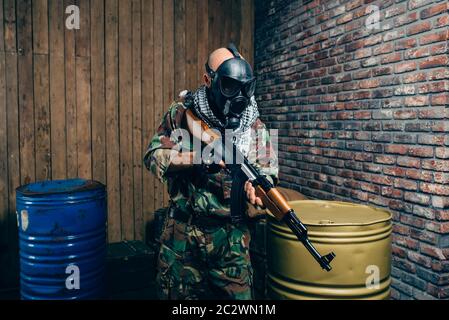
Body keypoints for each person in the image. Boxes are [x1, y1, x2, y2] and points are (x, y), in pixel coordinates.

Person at [144, 44, 278, 300]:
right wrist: (196, 159)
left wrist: (258, 189)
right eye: (229, 85)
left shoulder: (254, 125)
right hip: (182, 238)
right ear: (209, 80)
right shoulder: (183, 112)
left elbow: (267, 171)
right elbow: (152, 156)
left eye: (244, 86)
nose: (238, 96)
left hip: (231, 243)